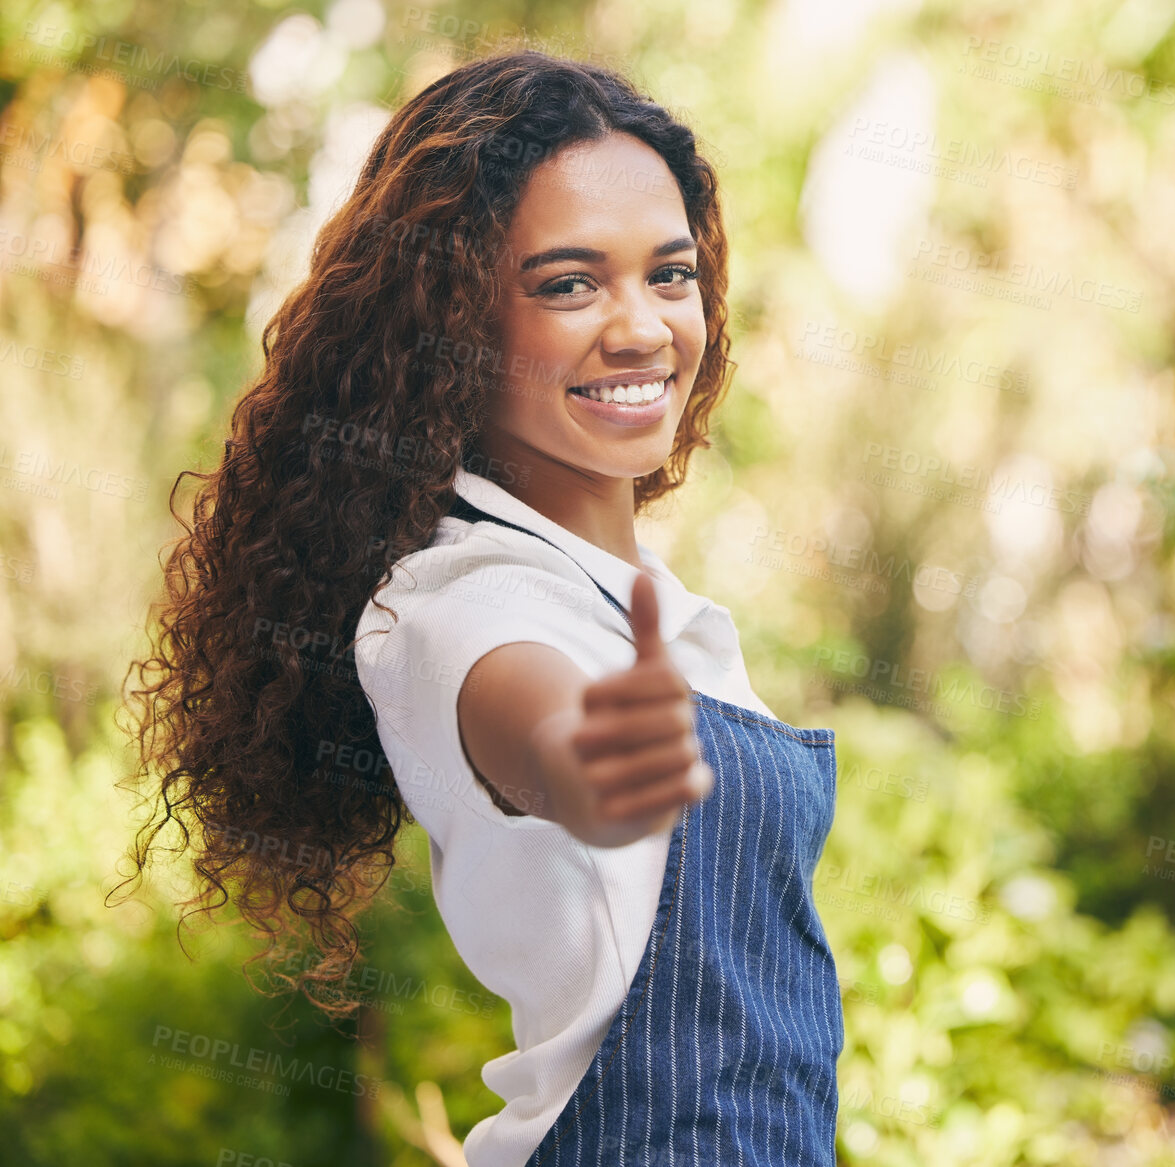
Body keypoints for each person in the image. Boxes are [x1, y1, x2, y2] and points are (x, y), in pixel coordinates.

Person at [124, 50, 842, 1166]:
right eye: (567, 284)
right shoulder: (452, 602)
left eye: (670, 273)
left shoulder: (635, 603)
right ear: (451, 322)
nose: (645, 326)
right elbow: (537, 717)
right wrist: (590, 770)